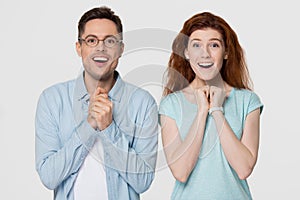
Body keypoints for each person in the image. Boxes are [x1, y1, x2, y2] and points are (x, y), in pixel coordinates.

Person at [35, 6, 158, 200]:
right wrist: (89, 125)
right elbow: (49, 177)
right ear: (79, 47)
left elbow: (143, 181)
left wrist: (109, 128)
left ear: (121, 49)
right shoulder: (52, 99)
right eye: (91, 40)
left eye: (110, 41)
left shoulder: (143, 103)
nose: (101, 48)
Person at [159, 12, 263, 200]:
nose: (205, 53)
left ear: (226, 53)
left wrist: (216, 110)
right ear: (187, 52)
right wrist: (201, 112)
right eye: (196, 45)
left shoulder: (247, 101)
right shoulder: (171, 105)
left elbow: (244, 168)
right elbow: (181, 172)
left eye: (214, 45)